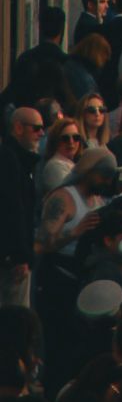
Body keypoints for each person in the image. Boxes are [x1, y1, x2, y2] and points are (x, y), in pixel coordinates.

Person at [0, 109, 42, 307]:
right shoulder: (9, 160)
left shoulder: (20, 161)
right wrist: (19, 256)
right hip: (11, 260)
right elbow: (13, 209)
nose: (41, 133)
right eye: (36, 128)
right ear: (18, 128)